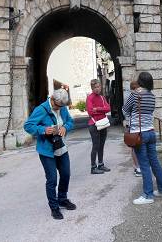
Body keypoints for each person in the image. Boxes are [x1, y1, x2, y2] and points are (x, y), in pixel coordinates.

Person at [24, 89, 77, 220]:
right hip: (47, 151)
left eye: (61, 107)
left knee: (66, 174)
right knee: (52, 179)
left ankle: (62, 199)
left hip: (61, 147)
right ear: (52, 99)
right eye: (57, 106)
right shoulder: (41, 109)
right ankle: (54, 207)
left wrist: (65, 127)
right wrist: (43, 130)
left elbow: (70, 121)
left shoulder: (62, 107)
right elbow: (28, 125)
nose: (59, 109)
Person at [126, 72, 162, 205]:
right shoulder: (152, 96)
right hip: (151, 132)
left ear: (140, 82)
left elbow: (124, 109)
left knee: (144, 165)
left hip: (139, 134)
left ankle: (148, 195)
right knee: (155, 162)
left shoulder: (135, 95)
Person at [86, 79, 112, 174]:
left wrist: (98, 109)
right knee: (95, 146)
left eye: (98, 87)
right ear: (92, 88)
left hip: (103, 123)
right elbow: (90, 111)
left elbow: (108, 108)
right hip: (94, 124)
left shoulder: (102, 97)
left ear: (101, 87)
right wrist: (102, 110)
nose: (97, 89)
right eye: (95, 87)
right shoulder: (90, 98)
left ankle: (101, 164)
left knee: (102, 145)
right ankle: (93, 167)